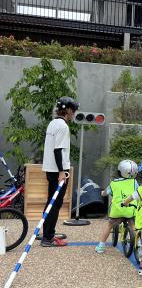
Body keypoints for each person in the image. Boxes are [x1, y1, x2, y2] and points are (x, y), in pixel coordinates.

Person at [40, 96, 79, 247]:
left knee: (51, 201)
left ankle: (47, 233)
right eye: (73, 110)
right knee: (56, 203)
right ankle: (48, 238)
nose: (73, 113)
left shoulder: (52, 123)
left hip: (50, 168)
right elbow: (58, 150)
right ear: (68, 110)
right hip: (58, 170)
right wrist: (62, 172)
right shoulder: (63, 126)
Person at [95, 160, 138, 254]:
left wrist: (102, 193)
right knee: (133, 225)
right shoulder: (135, 182)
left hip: (117, 210)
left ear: (120, 172)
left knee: (109, 225)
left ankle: (101, 246)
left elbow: (105, 193)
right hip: (130, 209)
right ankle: (138, 244)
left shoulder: (114, 183)